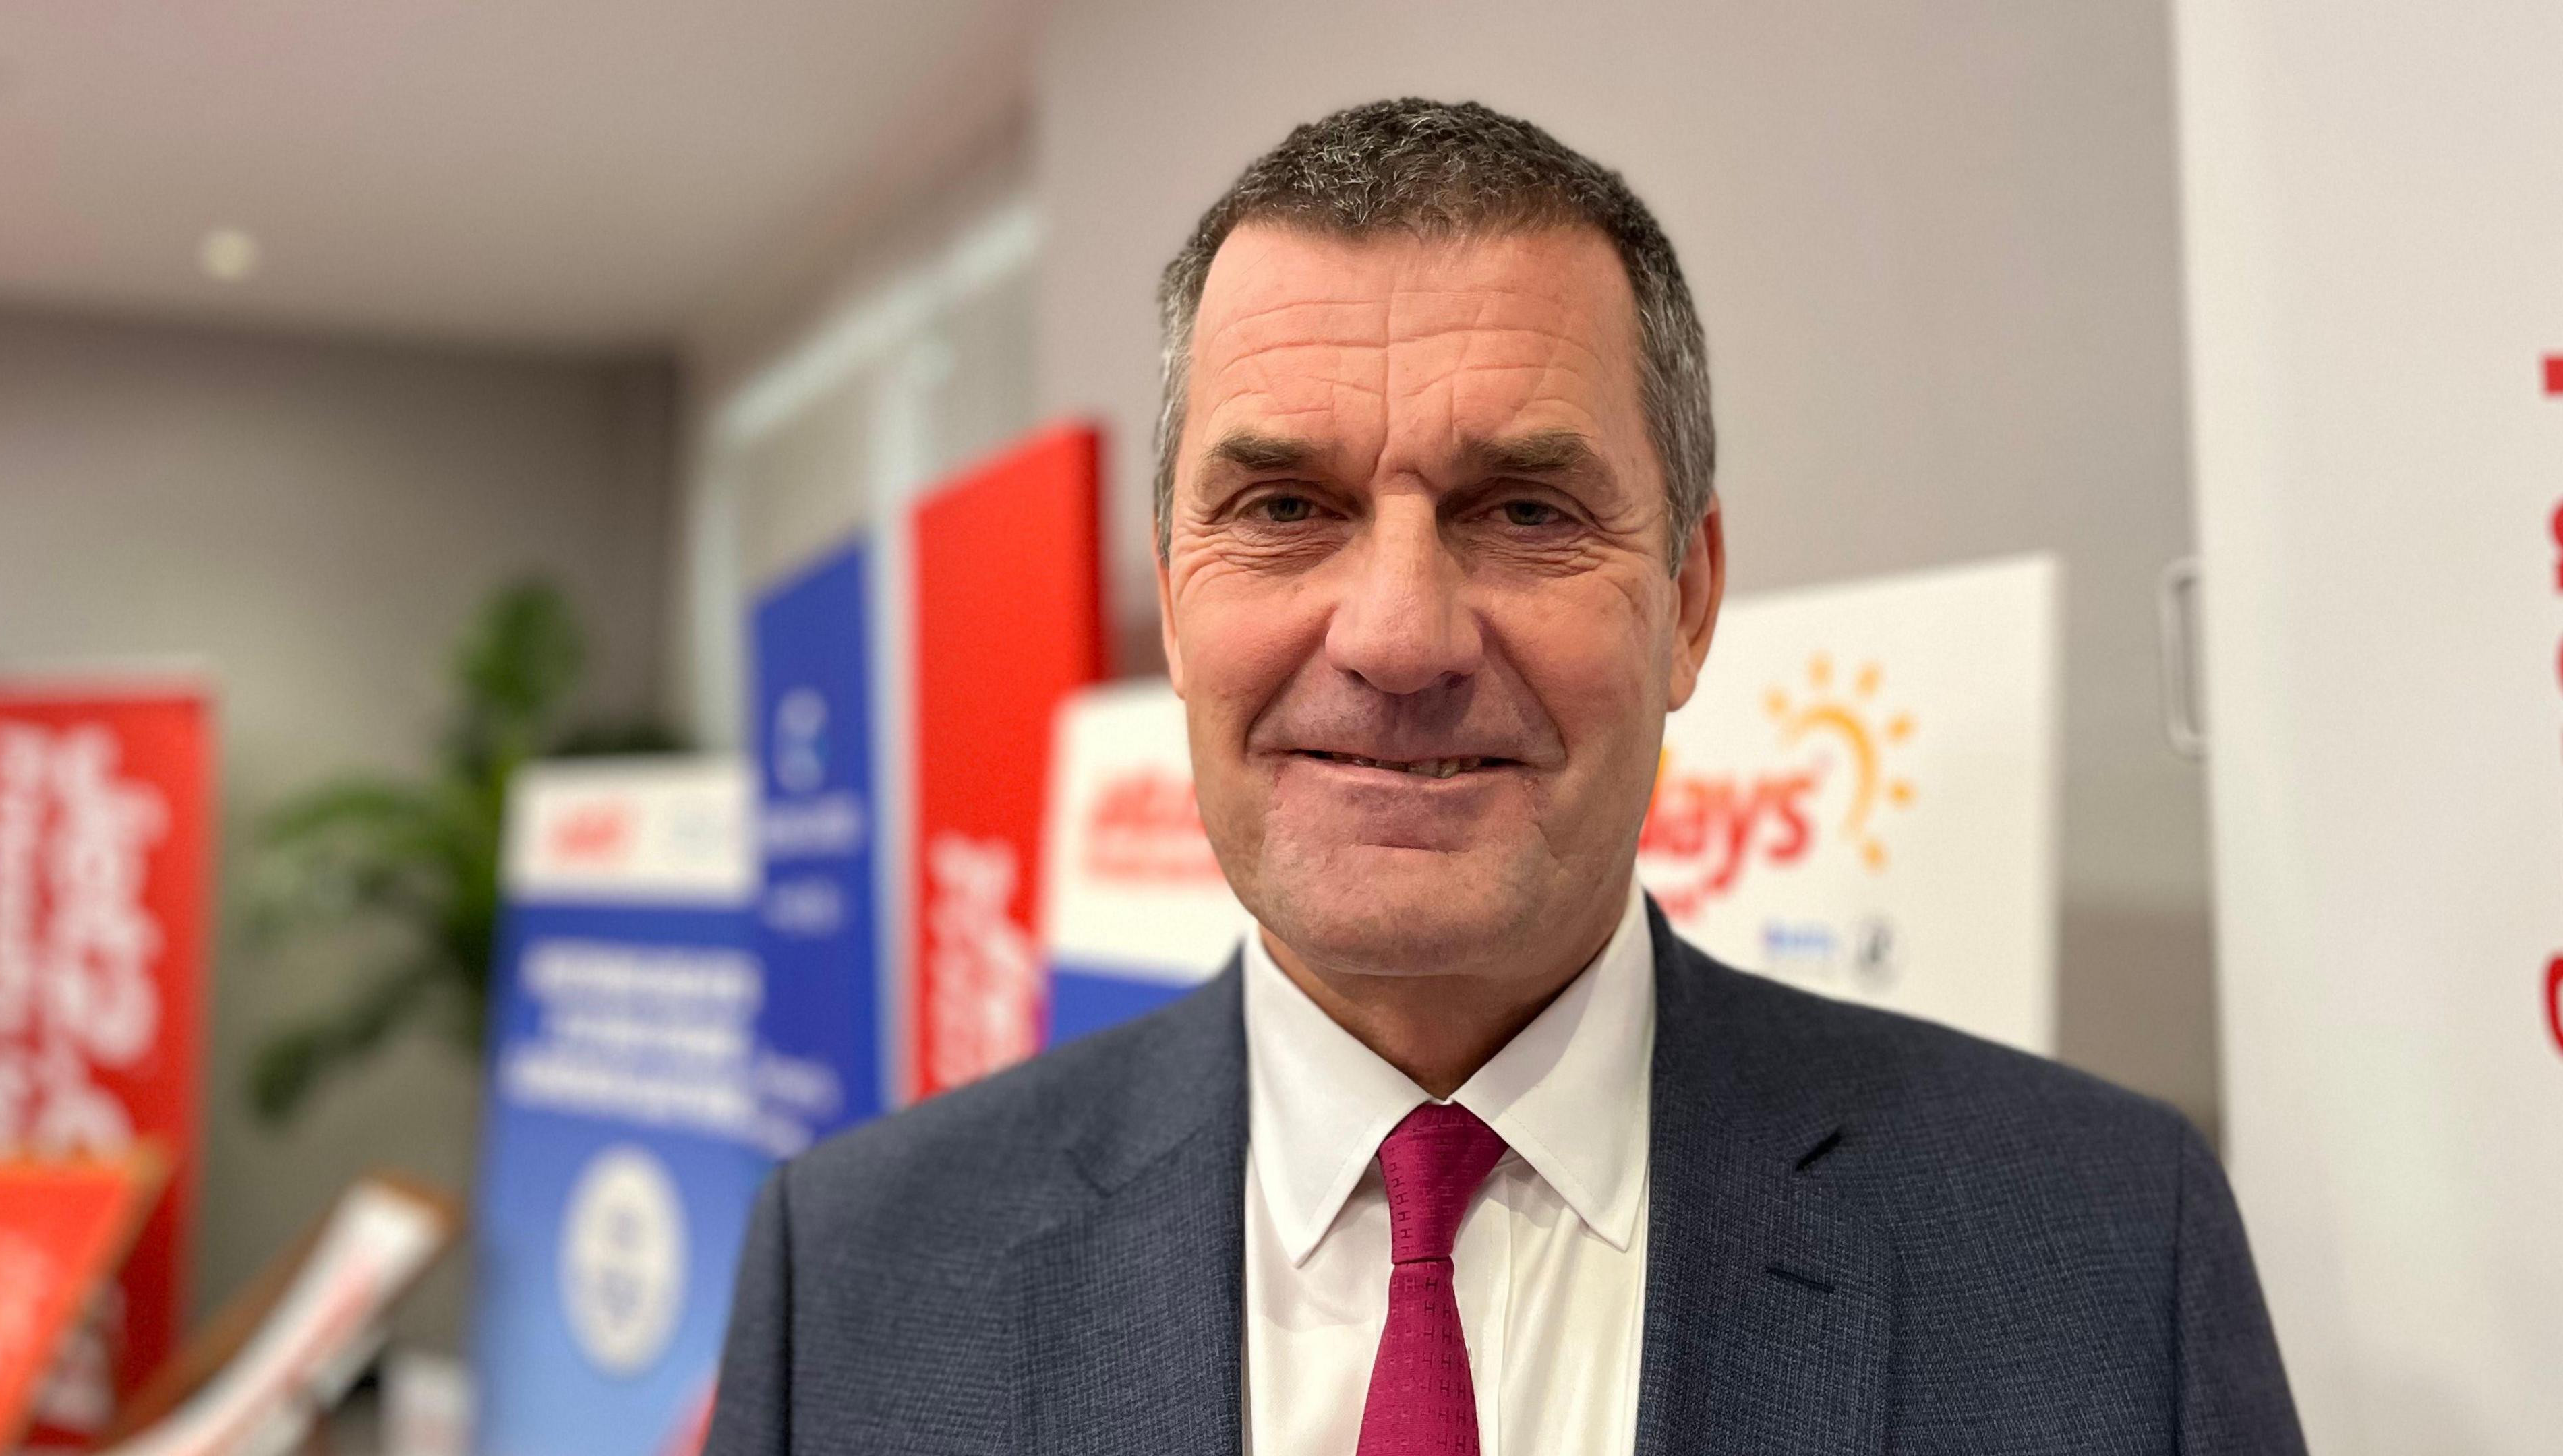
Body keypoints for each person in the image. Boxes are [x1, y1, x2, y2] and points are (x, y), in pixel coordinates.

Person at [703, 98, 2305, 1455]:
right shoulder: (855, 1278)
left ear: (1686, 598)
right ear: (1175, 600)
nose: (1399, 637)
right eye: (1283, 509)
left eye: (1527, 512)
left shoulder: (2100, 1254)